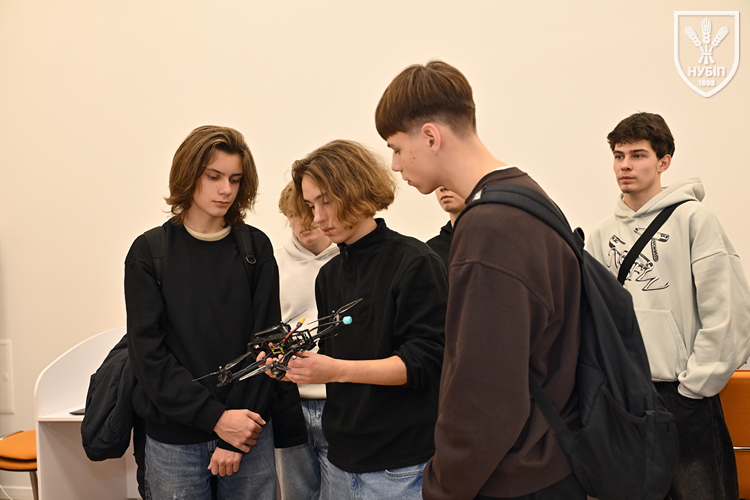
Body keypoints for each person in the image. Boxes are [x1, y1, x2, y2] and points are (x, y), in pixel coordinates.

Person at [376, 61, 584, 500]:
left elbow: (485, 393)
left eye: (396, 148)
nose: (394, 165)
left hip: (515, 478)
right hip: (551, 461)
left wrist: (443, 486)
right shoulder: (528, 196)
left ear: (430, 137)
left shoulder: (488, 227)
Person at [125, 125, 305, 499]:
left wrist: (235, 435)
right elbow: (149, 357)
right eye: (214, 177)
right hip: (175, 441)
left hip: (249, 431)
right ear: (189, 175)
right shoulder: (150, 252)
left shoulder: (255, 247)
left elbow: (266, 349)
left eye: (235, 179)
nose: (226, 189)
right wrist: (217, 419)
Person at [585, 112, 750, 500]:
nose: (625, 165)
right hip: (624, 398)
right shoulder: (601, 235)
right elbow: (593, 318)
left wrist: (694, 388)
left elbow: (729, 311)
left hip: (683, 395)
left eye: (638, 155)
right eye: (619, 155)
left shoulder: (694, 220)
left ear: (664, 161)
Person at [270, 139, 447, 499]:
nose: (317, 218)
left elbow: (426, 363)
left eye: (326, 201)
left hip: (400, 465)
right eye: (310, 205)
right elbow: (335, 357)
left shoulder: (415, 262)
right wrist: (291, 365)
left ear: (355, 190)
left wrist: (334, 370)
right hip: (340, 458)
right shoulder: (330, 275)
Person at [273, 181, 339, 499]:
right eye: (295, 214)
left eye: (310, 212)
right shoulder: (272, 265)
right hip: (289, 400)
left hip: (339, 397)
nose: (305, 223)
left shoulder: (347, 261)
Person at [426, 186, 465, 268]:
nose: (442, 188)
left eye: (452, 180)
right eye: (438, 182)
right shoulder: (429, 252)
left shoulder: (492, 240)